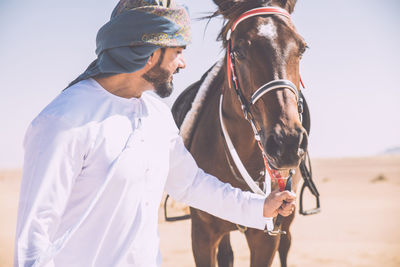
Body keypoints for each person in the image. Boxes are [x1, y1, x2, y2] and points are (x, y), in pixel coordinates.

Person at [14, 0, 296, 266]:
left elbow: (191, 184)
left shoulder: (156, 115)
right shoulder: (63, 122)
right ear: (149, 53)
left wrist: (260, 208)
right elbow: (35, 239)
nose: (183, 64)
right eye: (177, 52)